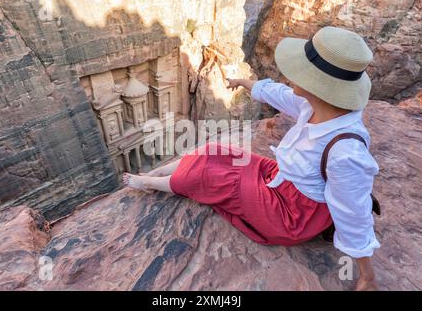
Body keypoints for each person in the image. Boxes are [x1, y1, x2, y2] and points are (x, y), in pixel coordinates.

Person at [123, 26, 380, 291]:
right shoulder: (316, 105)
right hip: (281, 180)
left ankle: (153, 183)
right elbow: (281, 95)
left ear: (319, 87)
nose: (290, 75)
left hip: (292, 215)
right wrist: (245, 83)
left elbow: (354, 214)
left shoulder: (346, 153)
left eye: (299, 72)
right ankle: (165, 172)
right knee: (218, 151)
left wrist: (367, 275)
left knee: (211, 177)